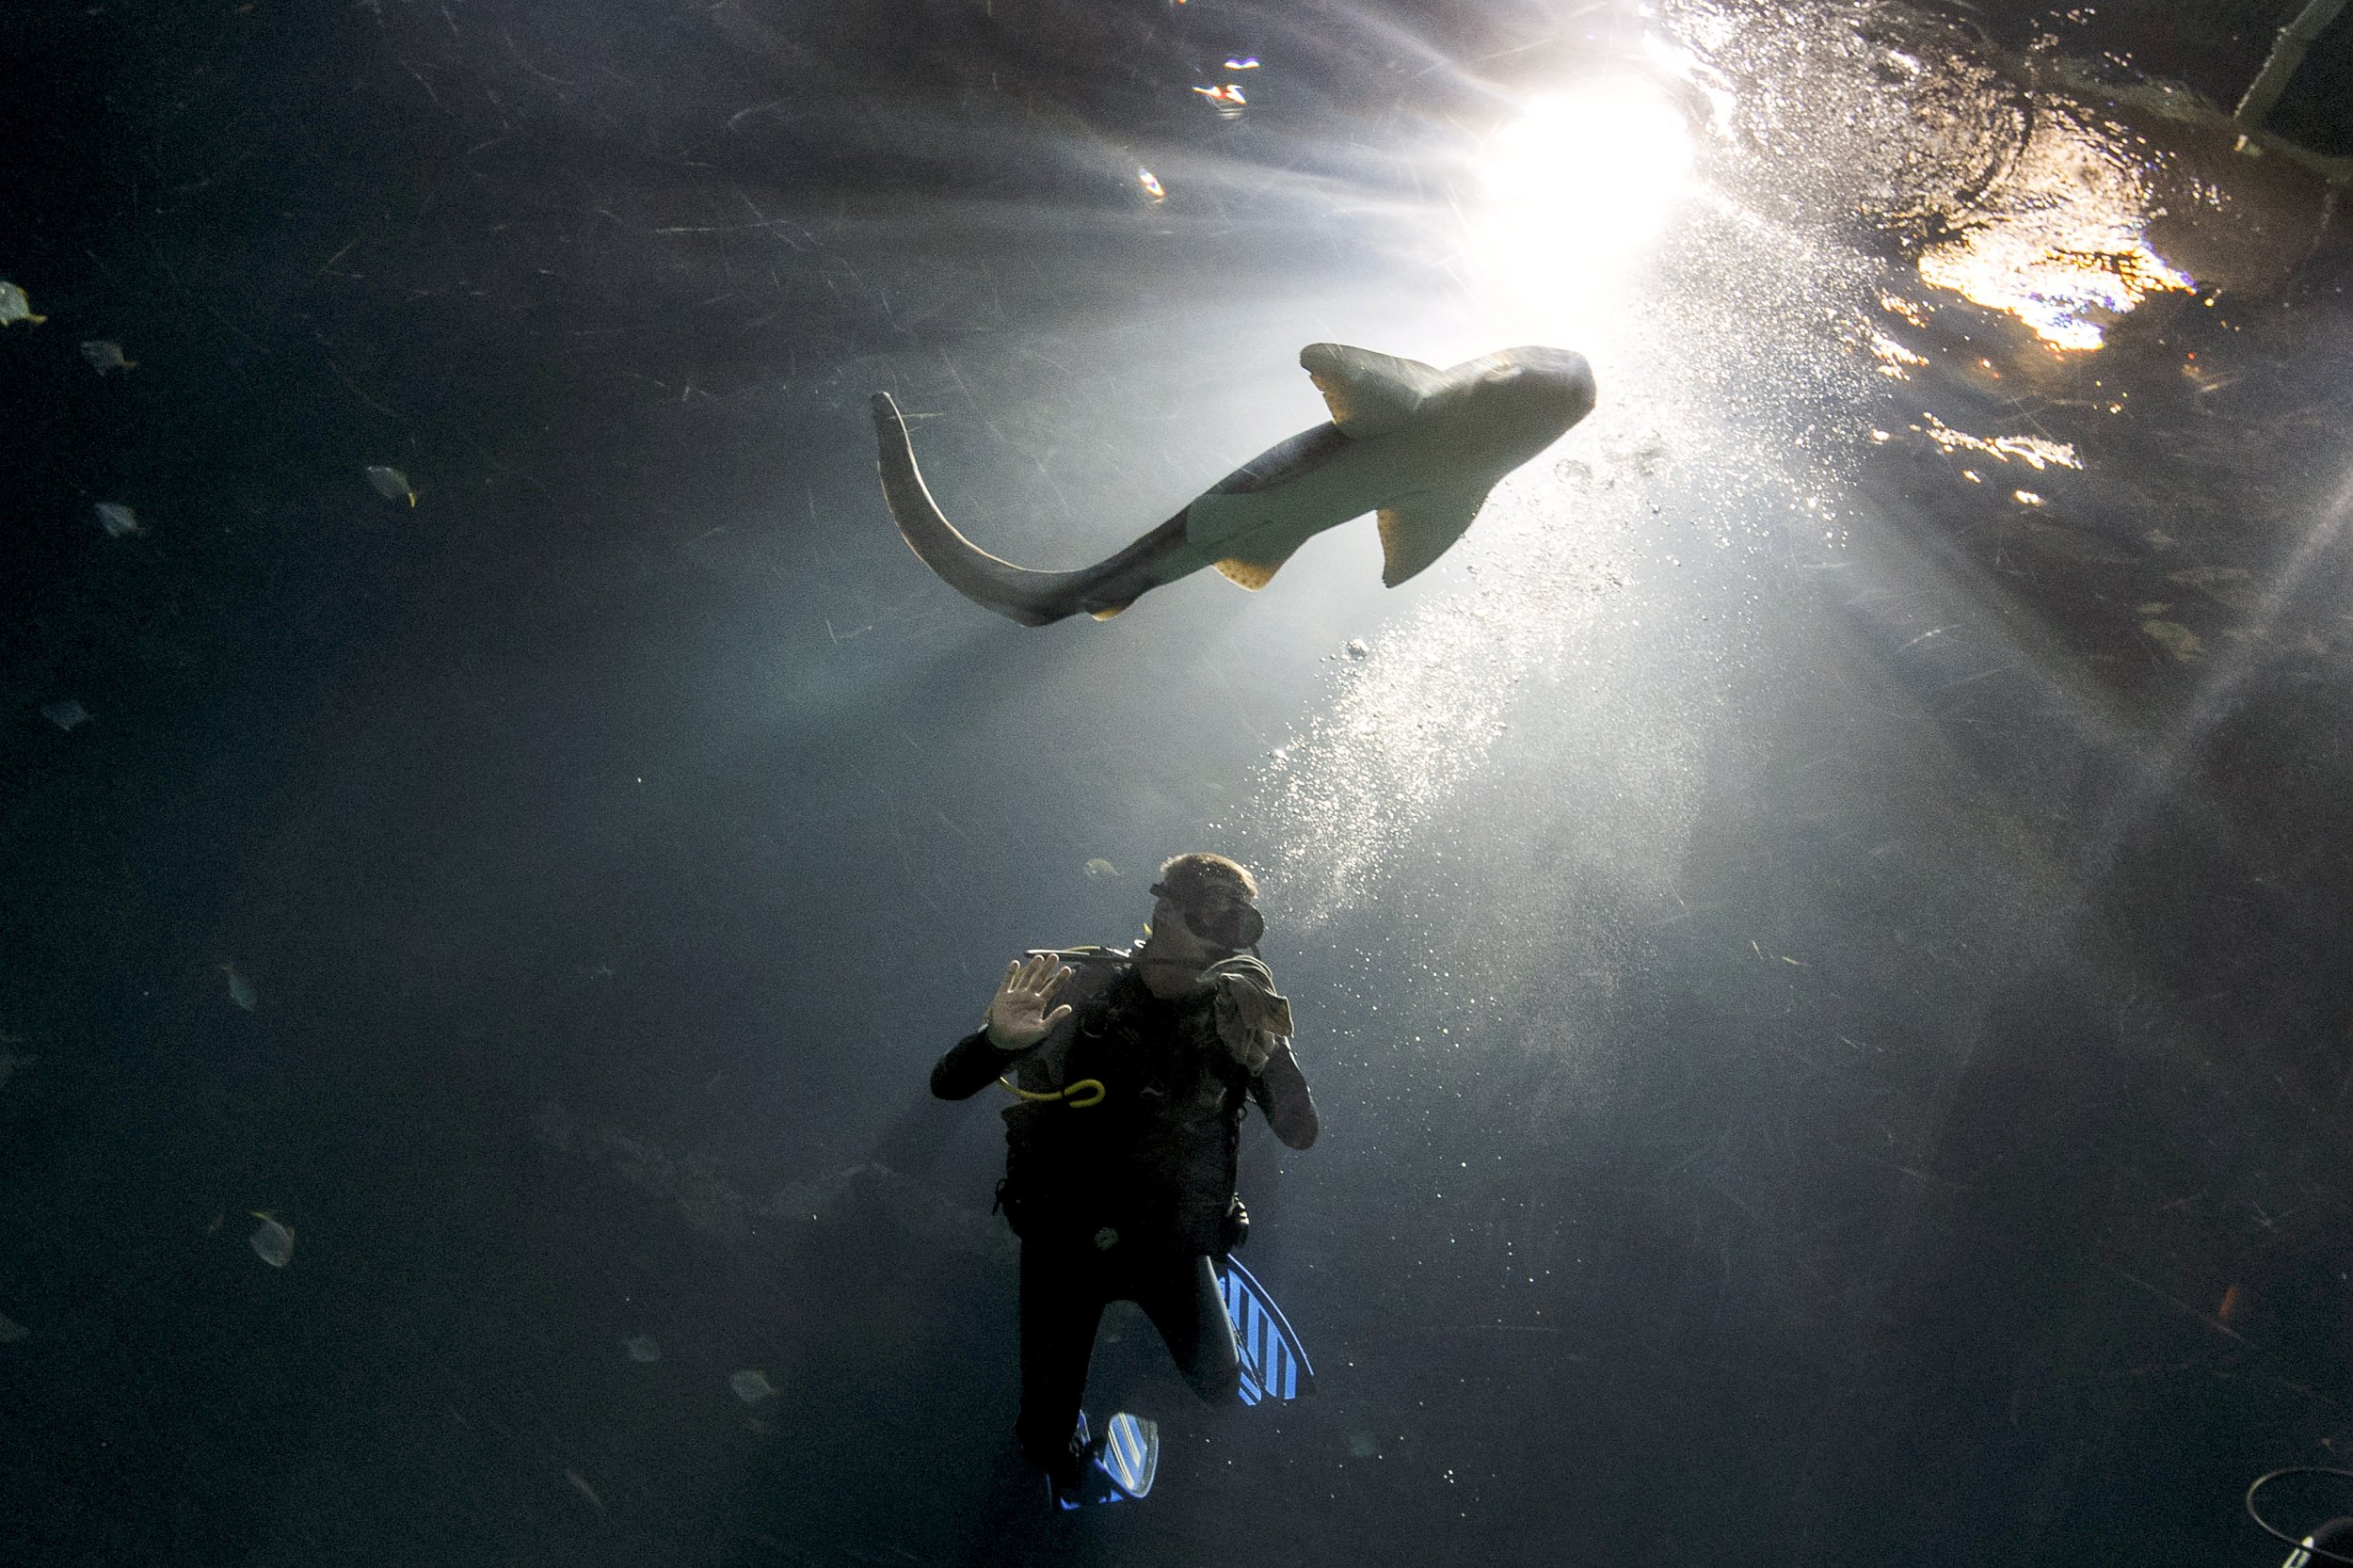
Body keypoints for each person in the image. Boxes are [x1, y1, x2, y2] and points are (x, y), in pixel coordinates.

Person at [930, 852, 1319, 1506]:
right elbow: (947, 1086)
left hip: (1172, 1245)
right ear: (1164, 909)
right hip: (1064, 1246)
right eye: (1208, 918)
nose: (1222, 940)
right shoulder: (1078, 989)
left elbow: (1301, 1133)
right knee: (1044, 1444)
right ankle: (1080, 1449)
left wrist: (1270, 1061)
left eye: (1237, 925)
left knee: (1220, 1388)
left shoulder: (1236, 1014)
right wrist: (997, 1042)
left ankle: (1177, 1344)